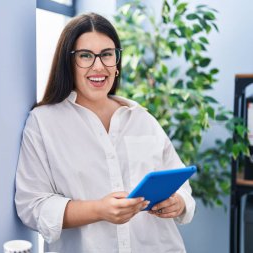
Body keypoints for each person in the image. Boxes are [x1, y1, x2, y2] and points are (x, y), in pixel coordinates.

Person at [15, 13, 195, 253]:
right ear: (68, 63)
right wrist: (99, 210)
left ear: (117, 62)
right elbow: (32, 205)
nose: (98, 66)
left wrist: (179, 203)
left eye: (107, 55)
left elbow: (182, 187)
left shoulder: (142, 118)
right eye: (86, 56)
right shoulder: (43, 123)